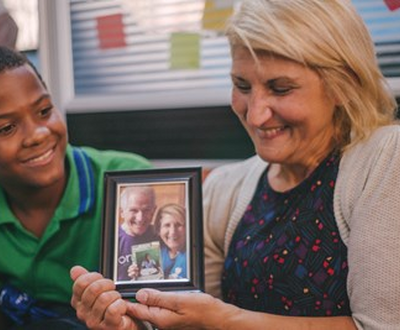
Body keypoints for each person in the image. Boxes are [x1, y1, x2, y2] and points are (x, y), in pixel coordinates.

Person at [70, 0, 400, 329]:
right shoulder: (225, 189)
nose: (255, 114)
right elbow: (189, 317)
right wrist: (132, 323)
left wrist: (229, 321)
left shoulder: (385, 160)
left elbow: (381, 325)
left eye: (280, 88)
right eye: (242, 86)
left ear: (343, 83)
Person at [0, 46, 151, 329]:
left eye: (44, 111)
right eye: (6, 128)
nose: (38, 134)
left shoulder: (132, 183)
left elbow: (160, 312)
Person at [117, 186, 158, 281]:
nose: (140, 218)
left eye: (146, 210)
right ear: (122, 212)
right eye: (134, 210)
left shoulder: (160, 236)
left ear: (153, 210)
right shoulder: (112, 240)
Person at [154, 203, 187, 279]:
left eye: (178, 225)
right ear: (159, 230)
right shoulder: (156, 254)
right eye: (167, 225)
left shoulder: (193, 256)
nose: (172, 232)